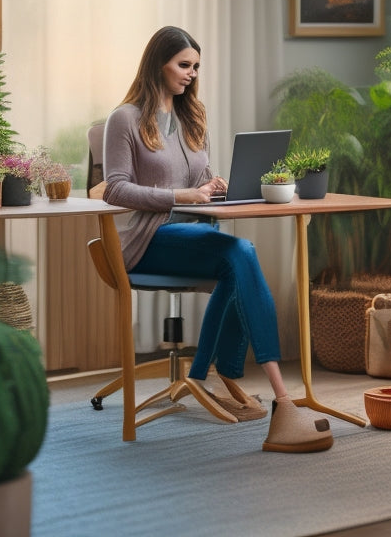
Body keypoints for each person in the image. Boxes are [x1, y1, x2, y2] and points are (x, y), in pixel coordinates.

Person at [102, 26, 332, 453]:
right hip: (146, 240)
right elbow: (114, 189)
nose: (191, 74)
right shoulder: (126, 119)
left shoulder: (193, 117)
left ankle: (206, 374)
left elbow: (197, 179)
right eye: (183, 65)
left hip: (193, 229)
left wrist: (215, 185)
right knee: (240, 252)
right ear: (158, 63)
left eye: (196, 67)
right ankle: (283, 400)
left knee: (237, 262)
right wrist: (180, 196)